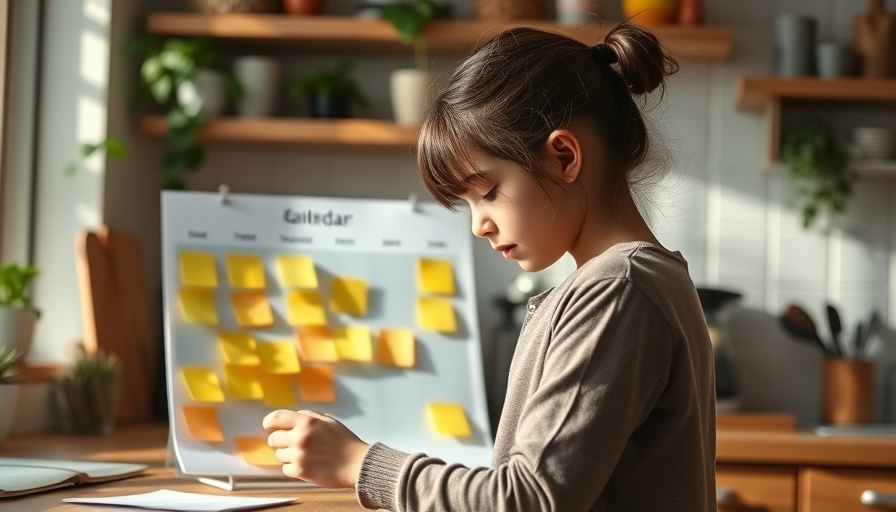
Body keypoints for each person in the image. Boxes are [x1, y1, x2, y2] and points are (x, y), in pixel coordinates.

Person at [264, 21, 717, 511]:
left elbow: (528, 499)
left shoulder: (617, 292)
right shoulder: (636, 282)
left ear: (564, 157)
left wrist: (358, 463)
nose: (479, 225)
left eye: (488, 192)